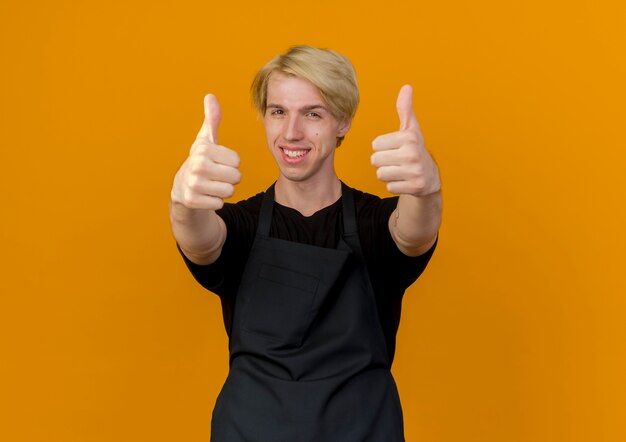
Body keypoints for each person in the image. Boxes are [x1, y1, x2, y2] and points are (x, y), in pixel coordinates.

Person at [170, 45, 442, 441]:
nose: (291, 132)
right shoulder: (240, 228)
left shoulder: (375, 225)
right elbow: (200, 241)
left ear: (344, 121)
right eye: (278, 111)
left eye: (313, 113)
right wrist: (181, 203)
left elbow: (415, 232)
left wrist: (428, 190)